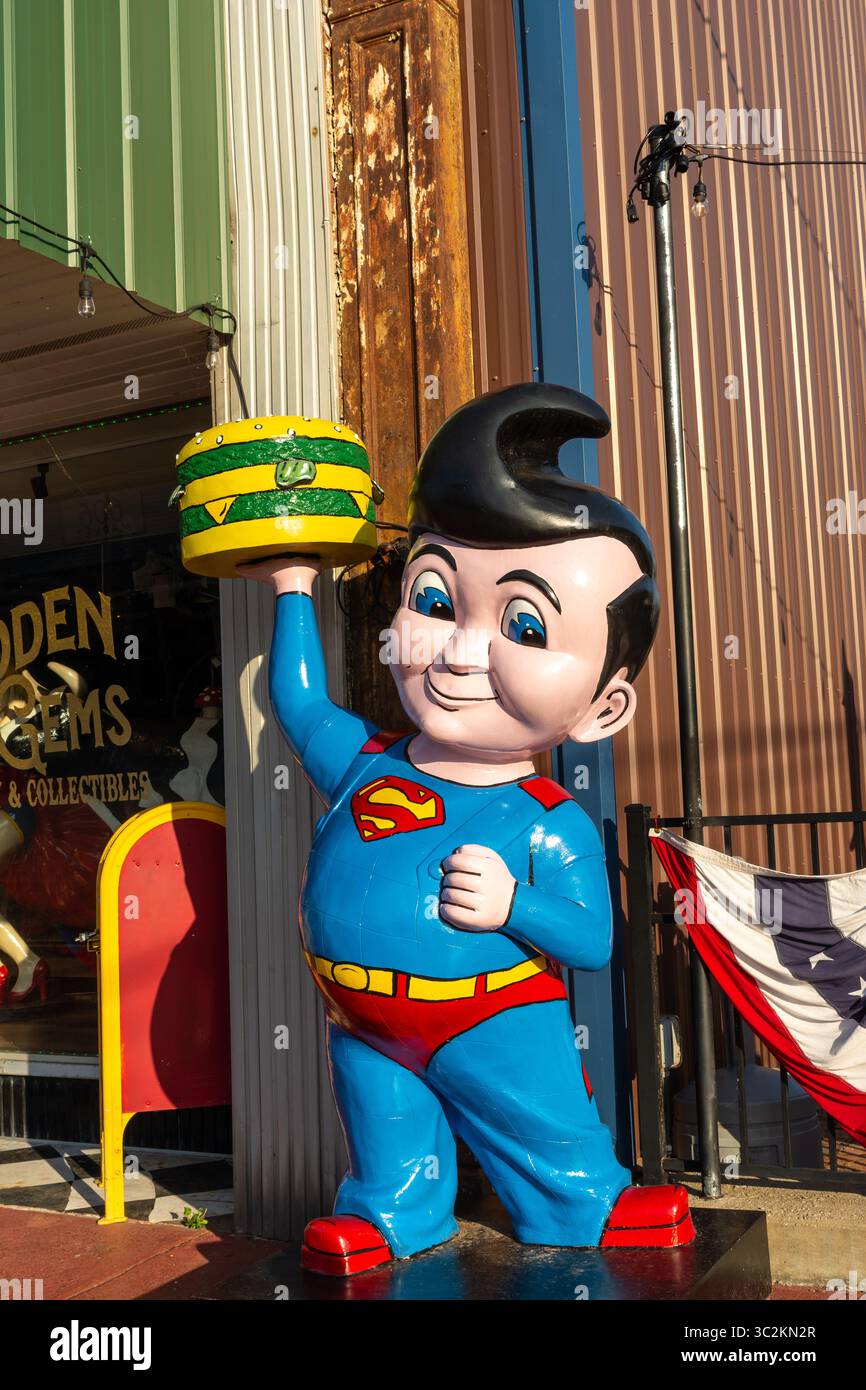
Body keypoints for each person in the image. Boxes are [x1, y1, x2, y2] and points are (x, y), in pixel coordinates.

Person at [241, 382, 694, 1275]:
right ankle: (392, 1213)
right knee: (384, 1133)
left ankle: (586, 1204)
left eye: (524, 625)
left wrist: (513, 903)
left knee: (544, 1125)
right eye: (437, 599)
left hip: (494, 1017)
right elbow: (296, 700)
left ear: (604, 707)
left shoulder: (547, 819)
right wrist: (294, 584)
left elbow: (594, 939)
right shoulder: (368, 759)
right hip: (363, 1017)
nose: (456, 648)